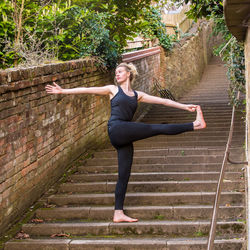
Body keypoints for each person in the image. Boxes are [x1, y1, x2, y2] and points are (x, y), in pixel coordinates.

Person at [45, 62, 206, 223]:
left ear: (128, 74)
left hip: (124, 136)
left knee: (124, 175)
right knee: (155, 128)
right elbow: (87, 90)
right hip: (117, 128)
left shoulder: (138, 95)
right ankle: (195, 125)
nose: (117, 74)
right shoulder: (112, 89)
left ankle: (118, 213)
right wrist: (62, 91)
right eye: (116, 72)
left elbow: (163, 101)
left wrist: (185, 107)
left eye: (120, 71)